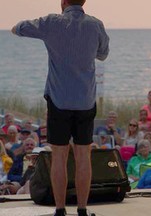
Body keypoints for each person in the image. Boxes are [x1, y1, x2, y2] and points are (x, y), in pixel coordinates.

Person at [12, 0, 109, 215]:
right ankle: (82, 210)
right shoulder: (96, 25)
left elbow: (18, 28)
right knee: (83, 156)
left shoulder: (51, 22)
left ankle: (60, 210)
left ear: (63, 2)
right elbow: (103, 54)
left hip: (59, 101)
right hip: (85, 100)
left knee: (59, 157)